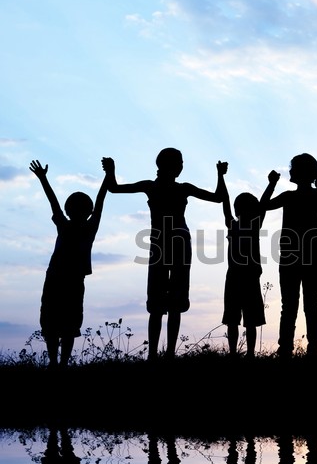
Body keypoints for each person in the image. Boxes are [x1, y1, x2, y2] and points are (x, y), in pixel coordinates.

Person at [101, 150, 225, 360]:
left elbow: (113, 188)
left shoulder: (153, 186)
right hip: (174, 242)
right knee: (169, 301)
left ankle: (156, 355)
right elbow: (219, 197)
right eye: (181, 163)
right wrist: (220, 175)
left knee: (161, 302)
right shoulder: (176, 188)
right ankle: (164, 355)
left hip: (164, 243)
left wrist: (111, 171)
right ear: (175, 166)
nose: (182, 166)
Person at [29, 159, 109, 369]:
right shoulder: (84, 226)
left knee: (57, 321)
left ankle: (57, 362)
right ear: (88, 211)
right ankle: (59, 362)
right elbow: (100, 201)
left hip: (61, 278)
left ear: (70, 209)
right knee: (64, 322)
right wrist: (107, 177)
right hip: (65, 279)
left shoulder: (68, 225)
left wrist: (43, 179)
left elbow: (53, 202)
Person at [263, 153, 317, 359]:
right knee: (312, 304)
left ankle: (286, 349)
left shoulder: (289, 197)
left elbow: (263, 206)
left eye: (293, 168)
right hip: (310, 254)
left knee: (290, 305)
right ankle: (312, 349)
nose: (290, 171)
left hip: (291, 257)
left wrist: (271, 184)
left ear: (300, 172)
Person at [220, 164, 280, 357]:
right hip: (238, 277)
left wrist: (271, 184)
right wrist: (221, 177)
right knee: (235, 320)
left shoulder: (251, 225)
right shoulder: (235, 225)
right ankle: (237, 353)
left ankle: (250, 354)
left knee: (249, 320)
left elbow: (261, 204)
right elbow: (226, 201)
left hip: (247, 277)